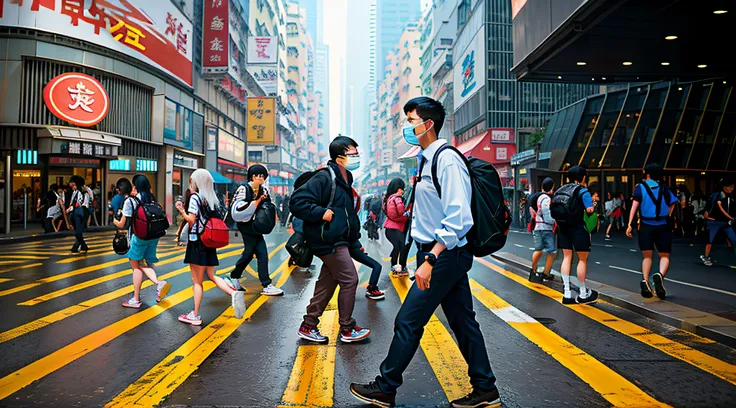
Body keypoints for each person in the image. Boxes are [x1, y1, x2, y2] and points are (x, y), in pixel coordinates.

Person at [351, 97, 500, 408]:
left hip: (443, 255)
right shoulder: (426, 158)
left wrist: (430, 258)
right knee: (463, 322)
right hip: (438, 253)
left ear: (428, 124)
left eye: (411, 120)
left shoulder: (446, 159)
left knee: (408, 320)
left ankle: (386, 386)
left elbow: (459, 216)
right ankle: (485, 388)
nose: (407, 126)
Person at [290, 135, 370, 344]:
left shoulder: (346, 178)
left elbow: (347, 214)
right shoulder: (324, 177)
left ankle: (308, 325)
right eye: (352, 153)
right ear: (339, 156)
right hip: (328, 240)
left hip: (339, 238)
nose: (357, 156)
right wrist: (320, 212)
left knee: (328, 283)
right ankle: (347, 328)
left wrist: (355, 242)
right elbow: (297, 201)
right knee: (350, 279)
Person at [175, 169, 246, 326]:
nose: (191, 183)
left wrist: (181, 210)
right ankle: (233, 292)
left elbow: (191, 220)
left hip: (197, 241)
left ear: (196, 182)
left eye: (192, 180)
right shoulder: (212, 198)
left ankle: (194, 315)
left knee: (197, 282)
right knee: (212, 275)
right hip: (209, 241)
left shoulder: (195, 197)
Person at [113, 175, 171, 309]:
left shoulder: (131, 201)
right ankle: (158, 282)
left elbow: (122, 224)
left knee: (136, 266)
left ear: (135, 186)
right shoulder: (152, 199)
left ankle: (136, 298)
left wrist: (114, 221)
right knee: (142, 264)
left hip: (138, 237)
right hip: (153, 236)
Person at [225, 164, 283, 296]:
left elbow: (268, 206)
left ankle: (235, 276)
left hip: (256, 226)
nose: (259, 178)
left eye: (262, 176)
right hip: (246, 226)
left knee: (253, 253)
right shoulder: (243, 189)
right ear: (251, 176)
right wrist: (256, 202)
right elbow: (238, 208)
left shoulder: (263, 190)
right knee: (256, 253)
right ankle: (266, 284)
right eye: (256, 175)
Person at [625, 164, 677, 299]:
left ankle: (645, 281)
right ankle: (659, 275)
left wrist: (630, 224)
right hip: (663, 224)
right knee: (664, 256)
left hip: (646, 225)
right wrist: (668, 215)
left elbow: (634, 207)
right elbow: (672, 203)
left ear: (647, 174)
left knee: (647, 256)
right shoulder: (664, 187)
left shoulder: (640, 187)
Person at [555, 166, 598, 305]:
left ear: (568, 177)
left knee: (566, 258)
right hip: (579, 228)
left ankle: (567, 293)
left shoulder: (560, 190)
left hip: (563, 228)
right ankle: (583, 293)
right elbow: (589, 210)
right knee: (582, 260)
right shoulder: (583, 191)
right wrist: (593, 206)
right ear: (584, 178)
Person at [701, 179, 736, 266]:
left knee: (734, 239)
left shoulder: (731, 197)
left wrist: (731, 218)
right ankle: (706, 257)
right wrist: (706, 212)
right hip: (714, 221)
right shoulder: (717, 196)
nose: (732, 188)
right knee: (710, 240)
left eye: (733, 187)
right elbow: (710, 205)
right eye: (730, 187)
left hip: (725, 223)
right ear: (724, 187)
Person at [529, 177, 556, 283]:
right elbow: (547, 214)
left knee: (538, 249)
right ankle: (546, 273)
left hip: (537, 227)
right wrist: (553, 221)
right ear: (551, 187)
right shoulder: (545, 198)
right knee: (552, 251)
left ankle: (533, 271)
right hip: (546, 228)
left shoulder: (535, 197)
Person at [383, 178, 411, 276]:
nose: (403, 191)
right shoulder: (397, 199)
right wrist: (408, 215)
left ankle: (394, 265)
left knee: (397, 247)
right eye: (401, 188)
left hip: (389, 228)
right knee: (402, 247)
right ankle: (399, 267)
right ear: (398, 188)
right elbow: (399, 214)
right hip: (396, 229)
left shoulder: (387, 198)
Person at [67, 176, 91, 254]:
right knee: (78, 231)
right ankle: (83, 246)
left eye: (73, 184)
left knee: (78, 231)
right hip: (78, 212)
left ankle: (78, 247)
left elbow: (83, 203)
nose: (71, 186)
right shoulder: (76, 191)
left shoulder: (84, 190)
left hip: (82, 211)